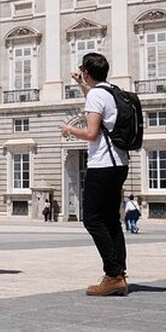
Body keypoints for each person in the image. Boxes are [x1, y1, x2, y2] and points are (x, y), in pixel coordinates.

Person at [59, 52, 129, 296]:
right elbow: (96, 105)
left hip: (102, 165)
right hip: (119, 163)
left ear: (87, 71)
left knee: (92, 219)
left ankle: (112, 274)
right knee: (111, 220)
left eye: (82, 71)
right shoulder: (110, 90)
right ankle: (119, 273)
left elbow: (91, 133)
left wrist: (69, 129)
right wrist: (82, 85)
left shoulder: (97, 94)